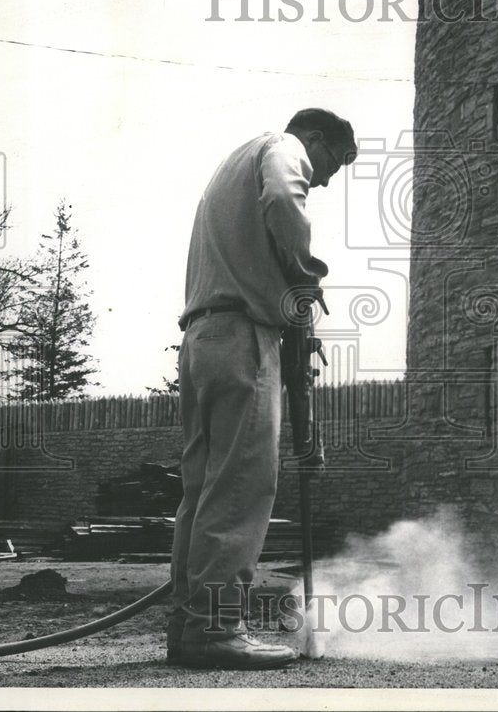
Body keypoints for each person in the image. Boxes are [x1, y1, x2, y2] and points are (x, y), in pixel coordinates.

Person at [167, 108, 356, 669]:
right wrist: (304, 274)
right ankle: (217, 630)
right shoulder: (283, 149)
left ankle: (191, 626)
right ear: (315, 139)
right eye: (331, 165)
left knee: (202, 493)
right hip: (244, 338)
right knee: (242, 487)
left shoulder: (235, 162)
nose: (323, 180)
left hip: (204, 336)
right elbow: (283, 198)